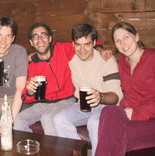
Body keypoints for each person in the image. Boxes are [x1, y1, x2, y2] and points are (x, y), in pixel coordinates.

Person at [13, 22, 110, 136]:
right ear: (31, 42)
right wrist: (30, 91)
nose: (40, 39)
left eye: (43, 35)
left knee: (47, 118)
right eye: (35, 36)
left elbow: (87, 43)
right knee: (19, 120)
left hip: (67, 100)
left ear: (50, 38)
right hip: (43, 103)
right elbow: (25, 98)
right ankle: (30, 149)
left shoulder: (63, 49)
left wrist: (100, 48)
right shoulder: (31, 64)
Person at [53, 23, 123, 155]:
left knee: (94, 122)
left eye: (87, 44)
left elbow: (115, 96)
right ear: (73, 44)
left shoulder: (106, 59)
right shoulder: (71, 59)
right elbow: (48, 52)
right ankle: (78, 153)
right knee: (59, 119)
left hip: (106, 106)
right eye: (78, 44)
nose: (82, 49)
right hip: (82, 104)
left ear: (94, 43)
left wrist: (100, 96)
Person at [95, 22, 155, 156]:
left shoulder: (152, 58)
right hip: (128, 113)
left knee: (113, 136)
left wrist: (138, 112)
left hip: (150, 117)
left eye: (126, 37)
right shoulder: (121, 62)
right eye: (117, 40)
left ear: (137, 37)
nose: (123, 43)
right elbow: (94, 45)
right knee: (108, 111)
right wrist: (100, 49)